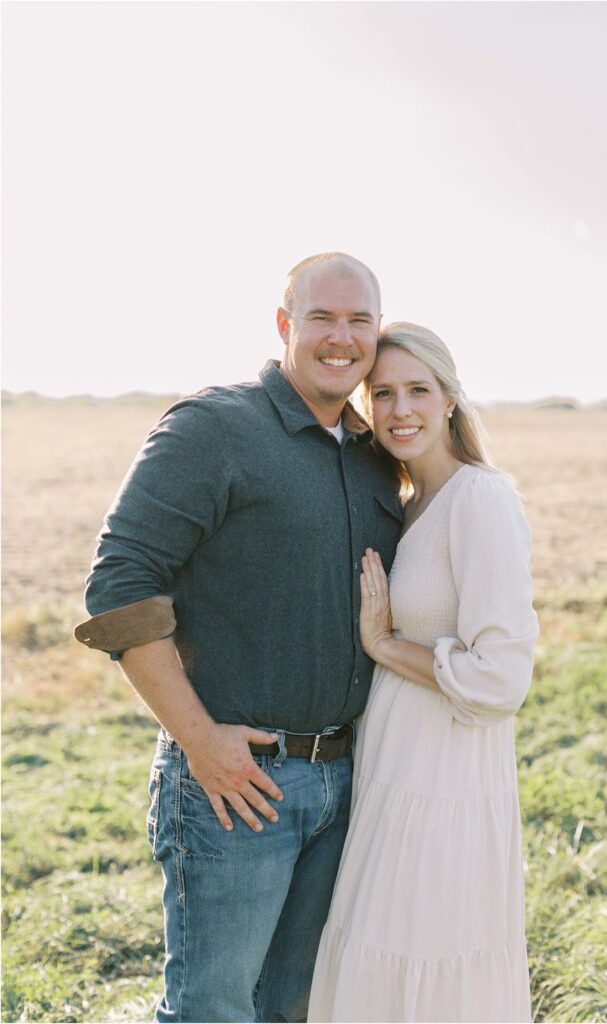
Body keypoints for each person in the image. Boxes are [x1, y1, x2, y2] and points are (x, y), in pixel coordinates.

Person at [73, 252, 402, 1023]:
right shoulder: (215, 428)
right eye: (322, 316)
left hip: (344, 782)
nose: (340, 337)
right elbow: (120, 585)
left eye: (359, 320)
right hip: (236, 783)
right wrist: (198, 741)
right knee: (212, 1012)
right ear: (285, 324)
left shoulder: (374, 457)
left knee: (290, 1008)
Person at [309, 323, 539, 1023]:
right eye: (382, 393)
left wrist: (383, 646)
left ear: (448, 400)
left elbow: (501, 678)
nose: (399, 408)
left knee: (426, 957)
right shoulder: (408, 506)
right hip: (393, 766)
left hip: (447, 777)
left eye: (417, 390)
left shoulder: (479, 499)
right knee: (377, 956)